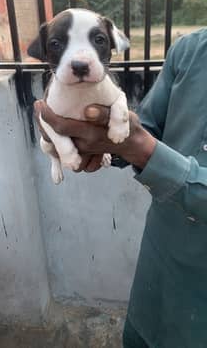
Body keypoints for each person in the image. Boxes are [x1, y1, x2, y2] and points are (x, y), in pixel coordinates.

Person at [34, 28, 207, 348]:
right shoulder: (189, 50)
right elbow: (147, 127)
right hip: (160, 256)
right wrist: (95, 142)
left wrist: (140, 147)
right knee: (141, 336)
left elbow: (143, 142)